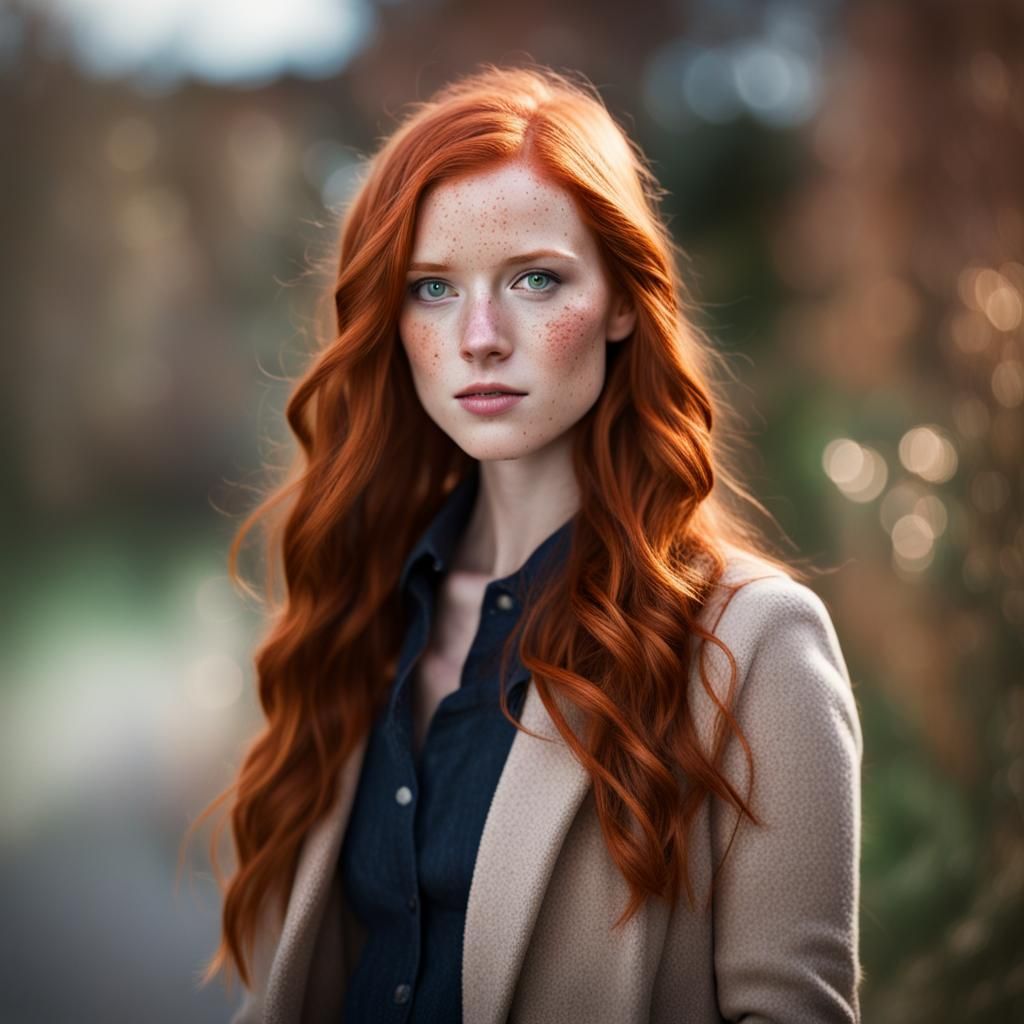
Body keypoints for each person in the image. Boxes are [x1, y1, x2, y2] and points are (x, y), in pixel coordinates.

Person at [200, 64, 864, 1023]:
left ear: (626, 301)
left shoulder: (755, 646)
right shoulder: (362, 615)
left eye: (535, 280)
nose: (478, 337)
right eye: (432, 287)